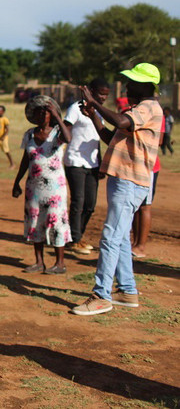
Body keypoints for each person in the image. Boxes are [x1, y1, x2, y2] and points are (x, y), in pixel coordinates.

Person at [71, 63, 162, 316]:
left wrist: (95, 103)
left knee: (110, 237)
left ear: (145, 86)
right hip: (122, 179)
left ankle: (101, 296)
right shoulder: (137, 110)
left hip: (130, 181)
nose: (128, 86)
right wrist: (94, 116)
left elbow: (121, 120)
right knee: (120, 238)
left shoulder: (148, 107)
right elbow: (112, 137)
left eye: (133, 82)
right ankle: (127, 291)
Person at [12, 95, 72, 274]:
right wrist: (17, 181)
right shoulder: (29, 134)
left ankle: (60, 263)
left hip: (55, 189)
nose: (41, 115)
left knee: (56, 222)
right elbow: (25, 160)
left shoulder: (57, 133)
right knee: (35, 221)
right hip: (34, 188)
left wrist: (58, 117)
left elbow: (68, 138)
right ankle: (39, 262)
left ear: (51, 114)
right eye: (38, 112)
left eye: (45, 111)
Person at [63, 78, 110, 255]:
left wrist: (100, 163)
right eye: (100, 94)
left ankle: (76, 235)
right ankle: (75, 240)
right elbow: (65, 129)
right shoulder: (76, 108)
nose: (103, 98)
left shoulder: (99, 112)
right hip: (75, 161)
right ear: (90, 91)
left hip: (92, 163)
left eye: (106, 95)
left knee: (90, 204)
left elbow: (97, 138)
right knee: (78, 201)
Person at [130, 113, 164, 258]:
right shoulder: (130, 111)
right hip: (133, 165)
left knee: (145, 206)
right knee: (134, 206)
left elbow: (160, 140)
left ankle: (141, 245)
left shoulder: (155, 113)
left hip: (149, 166)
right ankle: (134, 243)